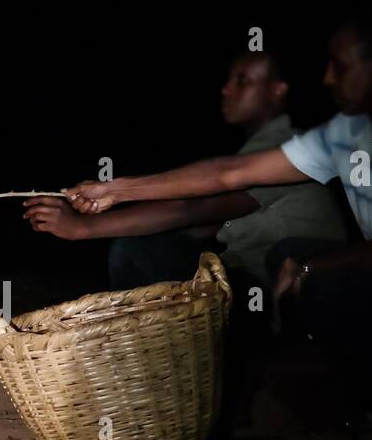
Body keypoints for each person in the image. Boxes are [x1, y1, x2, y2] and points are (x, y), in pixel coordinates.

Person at [57, 12, 372, 425]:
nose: (327, 78)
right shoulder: (347, 134)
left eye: (339, 65)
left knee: (320, 279)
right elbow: (230, 172)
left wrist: (312, 270)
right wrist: (115, 190)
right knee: (297, 260)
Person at [24, 50, 346, 298]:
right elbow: (196, 221)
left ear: (278, 90)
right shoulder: (260, 147)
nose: (225, 90)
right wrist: (110, 199)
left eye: (242, 81)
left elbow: (192, 207)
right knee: (151, 243)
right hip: (253, 280)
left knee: (136, 250)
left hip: (279, 289)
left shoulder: (289, 145)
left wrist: (83, 227)